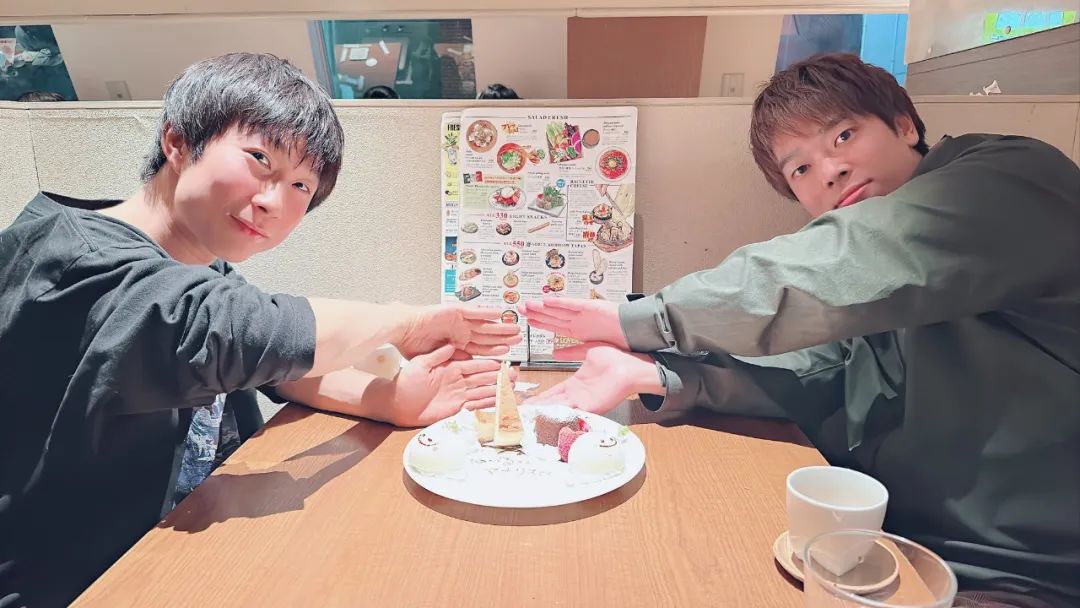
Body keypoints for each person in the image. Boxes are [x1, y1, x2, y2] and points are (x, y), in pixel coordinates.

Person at [522, 53, 1080, 606]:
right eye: (801, 170)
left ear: (905, 124)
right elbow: (820, 369)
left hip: (1023, 577)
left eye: (843, 136)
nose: (830, 171)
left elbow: (857, 258)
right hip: (884, 550)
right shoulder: (860, 295)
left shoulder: (1013, 176)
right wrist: (658, 374)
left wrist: (644, 320)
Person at [0, 53, 520, 607]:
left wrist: (388, 399)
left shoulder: (192, 262)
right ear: (177, 142)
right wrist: (410, 322)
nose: (273, 202)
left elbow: (271, 365)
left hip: (195, 545)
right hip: (80, 583)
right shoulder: (74, 264)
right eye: (259, 159)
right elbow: (243, 333)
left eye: (300, 185)